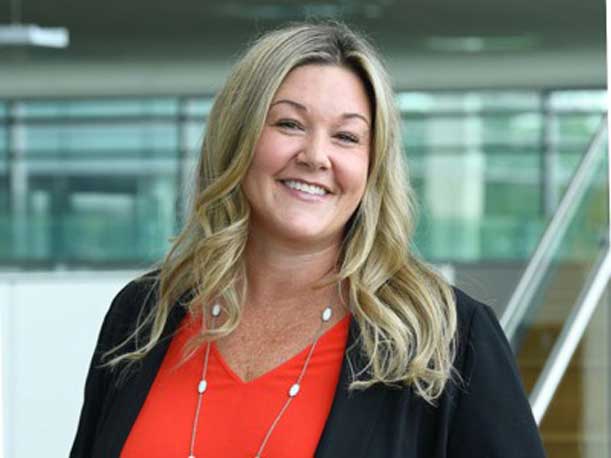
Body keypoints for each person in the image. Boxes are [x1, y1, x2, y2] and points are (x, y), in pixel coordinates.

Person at [70, 22, 546, 458]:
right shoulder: (142, 316)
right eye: (289, 124)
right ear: (237, 138)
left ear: (373, 165)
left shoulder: (447, 339)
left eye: (346, 137)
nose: (316, 156)